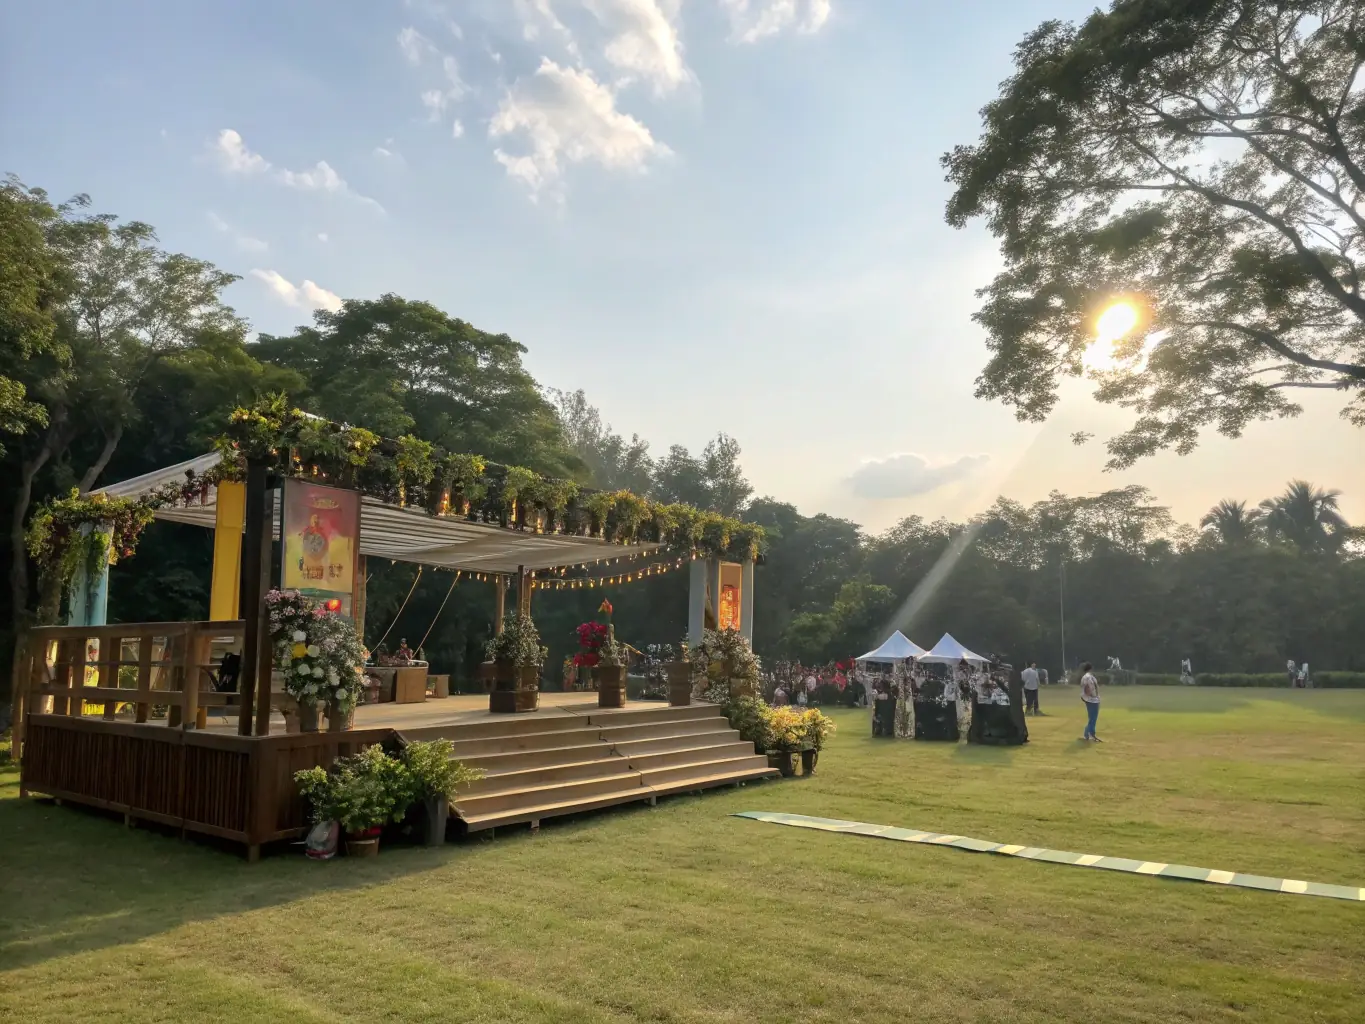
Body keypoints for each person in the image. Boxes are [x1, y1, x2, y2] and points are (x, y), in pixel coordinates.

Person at [1079, 661, 1101, 742]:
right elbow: (1087, 687)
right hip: (1092, 700)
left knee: (1092, 718)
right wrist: (1092, 695)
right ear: (1091, 668)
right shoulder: (1089, 677)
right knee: (1093, 718)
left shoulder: (1087, 677)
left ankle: (1088, 733)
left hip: (1092, 699)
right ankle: (1090, 734)